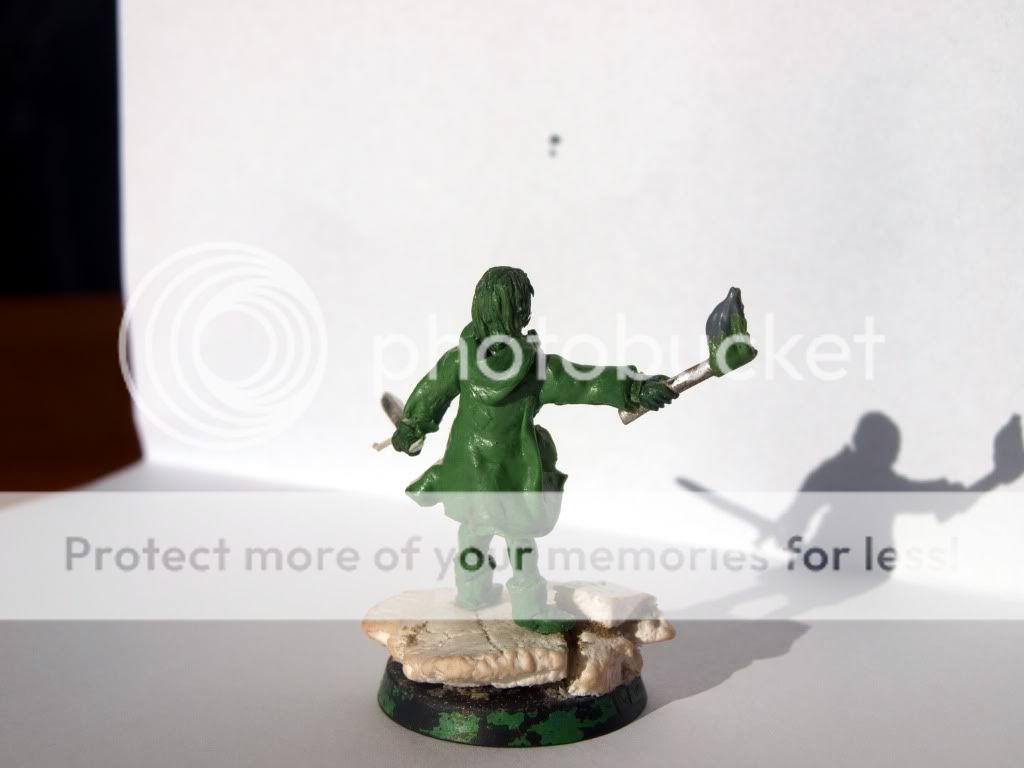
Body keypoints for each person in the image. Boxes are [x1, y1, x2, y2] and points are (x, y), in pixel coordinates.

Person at [391, 266, 678, 632]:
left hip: (468, 467)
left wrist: (411, 428)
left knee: (474, 528)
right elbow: (582, 381)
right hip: (512, 470)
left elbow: (430, 395)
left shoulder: (458, 360)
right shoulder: (534, 370)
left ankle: (472, 590)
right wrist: (634, 387)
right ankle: (527, 606)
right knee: (519, 538)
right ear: (521, 311)